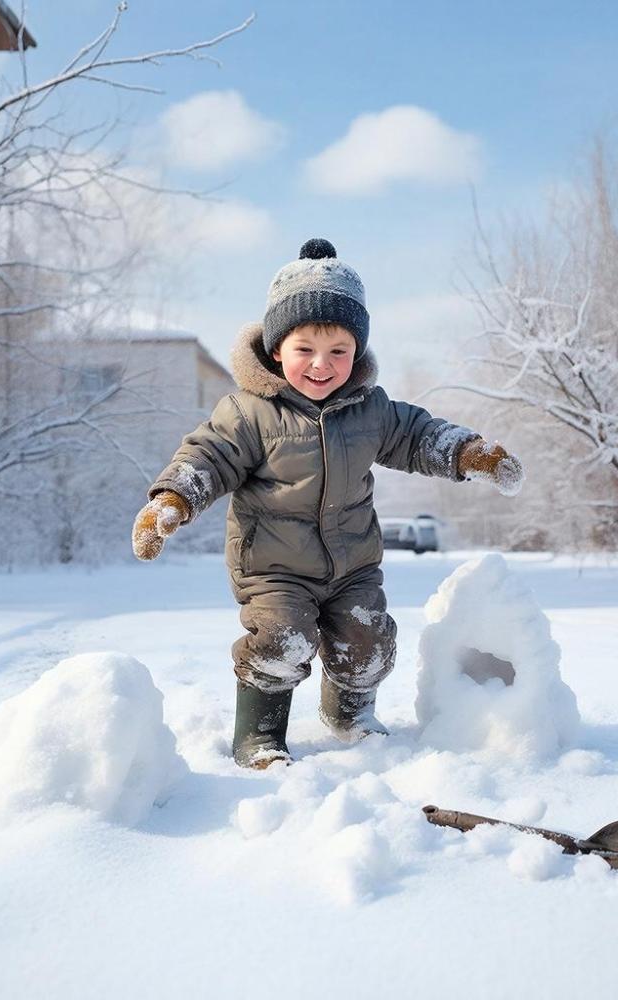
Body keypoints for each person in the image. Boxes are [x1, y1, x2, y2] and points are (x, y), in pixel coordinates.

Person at [132, 238, 524, 769]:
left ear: (356, 353)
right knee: (281, 639)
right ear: (277, 349)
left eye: (339, 351)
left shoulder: (370, 410)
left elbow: (417, 435)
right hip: (273, 568)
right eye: (305, 350)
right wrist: (172, 499)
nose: (322, 365)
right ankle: (260, 735)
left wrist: (469, 453)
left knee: (368, 642)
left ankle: (348, 714)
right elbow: (209, 455)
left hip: (352, 566)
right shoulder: (248, 413)